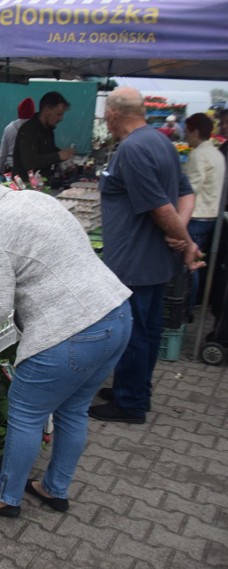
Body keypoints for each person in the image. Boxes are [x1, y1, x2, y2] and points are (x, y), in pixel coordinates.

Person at [0, 172, 132, 518]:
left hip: (69, 332)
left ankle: (5, 497)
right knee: (73, 409)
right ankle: (55, 490)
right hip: (116, 315)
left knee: (25, 412)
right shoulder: (33, 198)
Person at [89, 87, 204, 425]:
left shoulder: (134, 148)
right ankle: (137, 390)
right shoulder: (161, 141)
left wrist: (184, 242)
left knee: (133, 333)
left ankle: (130, 404)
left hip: (135, 262)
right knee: (148, 331)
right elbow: (185, 194)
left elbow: (160, 208)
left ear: (112, 114)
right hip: (153, 260)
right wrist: (182, 234)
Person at [183, 112, 226, 311]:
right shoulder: (216, 153)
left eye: (187, 131)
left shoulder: (199, 154)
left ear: (195, 132)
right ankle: (190, 306)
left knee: (190, 264)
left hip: (197, 216)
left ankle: (187, 308)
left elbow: (189, 189)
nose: (185, 136)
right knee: (197, 263)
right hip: (210, 215)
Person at [12, 91, 76, 183]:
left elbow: (48, 152)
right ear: (46, 110)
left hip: (40, 187)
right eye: (58, 114)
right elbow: (30, 163)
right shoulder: (29, 130)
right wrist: (58, 156)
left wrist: (64, 159)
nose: (61, 118)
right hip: (25, 190)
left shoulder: (48, 130)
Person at [0, 97, 35, 176]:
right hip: (28, 171)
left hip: (11, 168)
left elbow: (2, 155)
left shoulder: (9, 128)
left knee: (9, 188)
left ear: (19, 110)